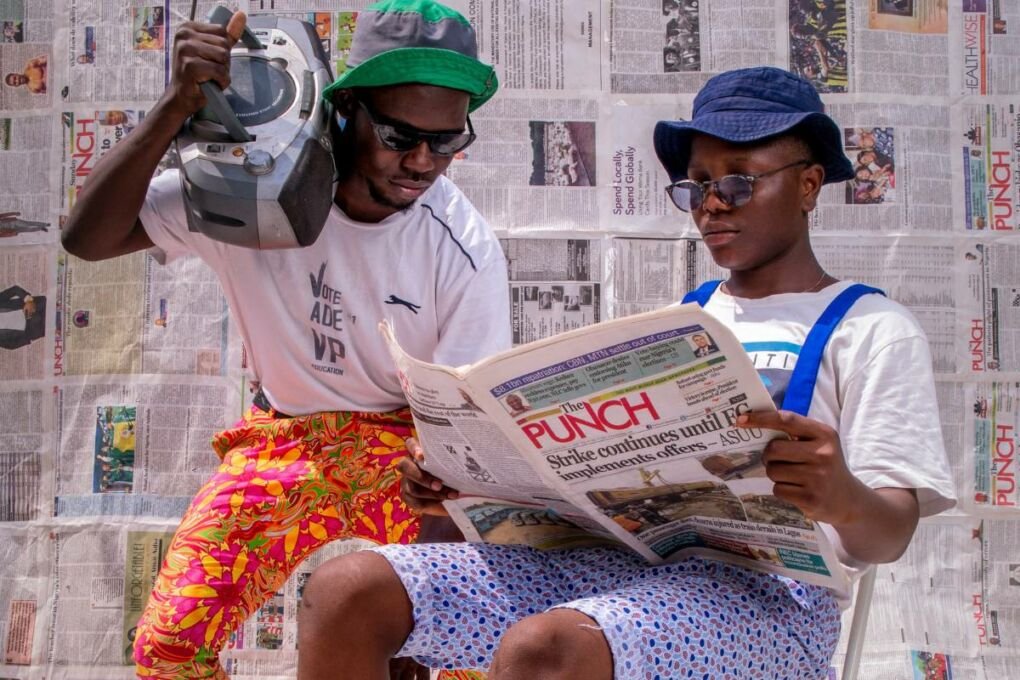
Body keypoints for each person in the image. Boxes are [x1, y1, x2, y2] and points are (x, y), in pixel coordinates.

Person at [295, 67, 956, 679]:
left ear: (809, 184)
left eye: (737, 181)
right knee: (347, 589)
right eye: (695, 186)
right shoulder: (680, 324)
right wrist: (463, 480)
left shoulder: (869, 328)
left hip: (774, 606)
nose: (712, 204)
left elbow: (892, 530)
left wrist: (839, 494)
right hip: (617, 568)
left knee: (545, 648)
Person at [61, 1, 508, 678]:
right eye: (397, 135)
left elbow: (458, 442)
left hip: (406, 449)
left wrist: (424, 623)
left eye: (445, 141)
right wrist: (171, 111)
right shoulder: (251, 188)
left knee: (472, 650)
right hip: (285, 440)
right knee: (168, 649)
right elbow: (86, 239)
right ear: (345, 110)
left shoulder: (462, 243)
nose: (421, 162)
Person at [0, 285, 45, 349]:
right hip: (36, 329)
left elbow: (15, 290)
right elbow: (11, 345)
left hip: (37, 307)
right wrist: (28, 337)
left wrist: (28, 301)